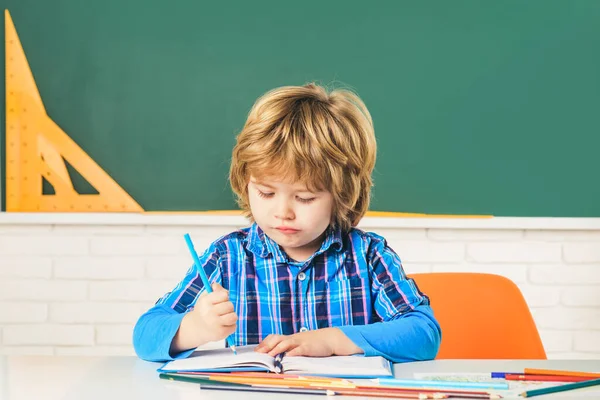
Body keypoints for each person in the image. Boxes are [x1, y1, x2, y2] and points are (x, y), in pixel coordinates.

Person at [133, 83, 441, 362]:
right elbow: (146, 335)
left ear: (342, 194)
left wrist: (334, 340)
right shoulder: (229, 257)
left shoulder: (368, 255)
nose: (283, 212)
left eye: (305, 198)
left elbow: (424, 334)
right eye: (266, 193)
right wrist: (195, 328)